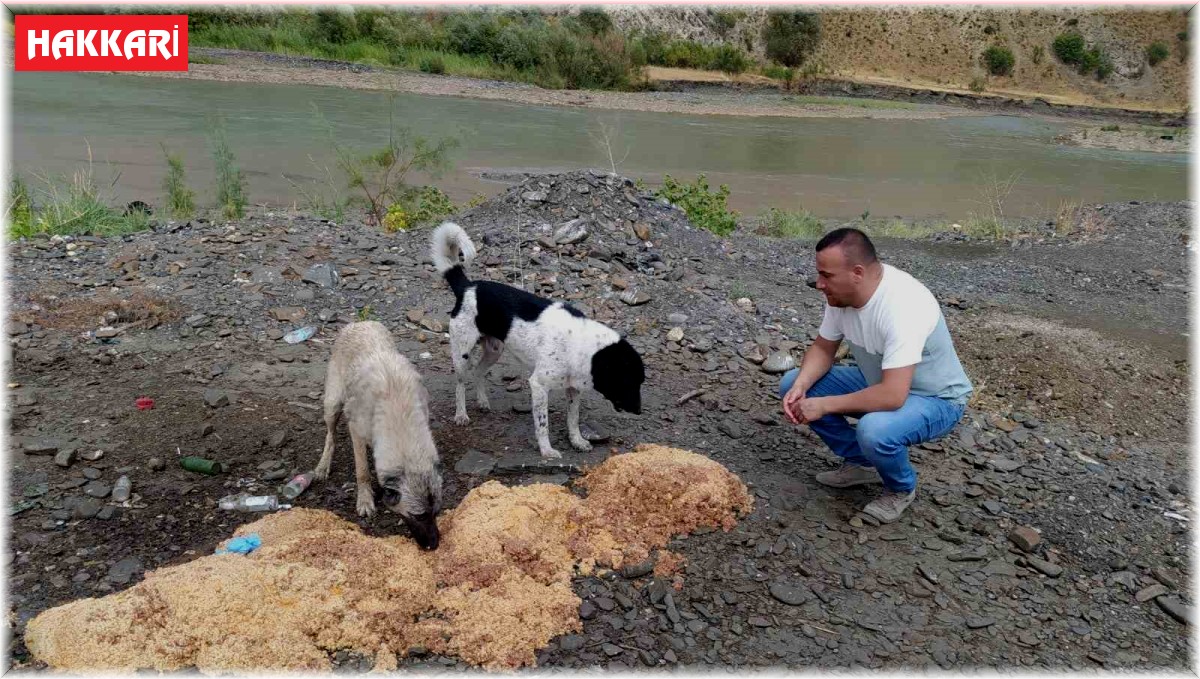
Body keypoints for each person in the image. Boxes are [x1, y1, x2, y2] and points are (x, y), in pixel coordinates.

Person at [780, 227, 973, 523]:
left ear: (857, 272)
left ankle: (900, 488)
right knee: (792, 383)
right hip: (881, 380)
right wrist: (803, 386)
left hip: (937, 399)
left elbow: (892, 396)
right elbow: (823, 348)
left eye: (826, 276)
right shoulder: (840, 296)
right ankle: (861, 464)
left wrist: (824, 406)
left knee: (875, 429)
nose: (819, 284)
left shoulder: (903, 305)